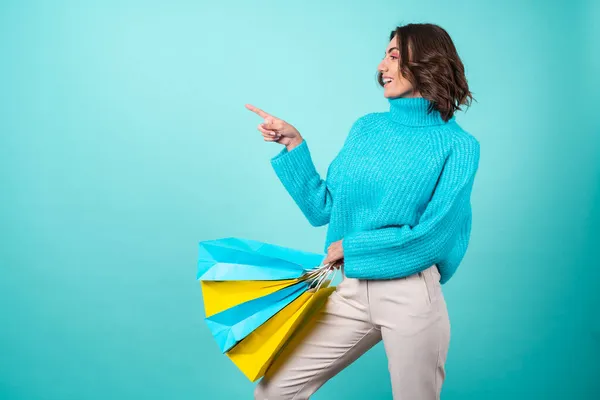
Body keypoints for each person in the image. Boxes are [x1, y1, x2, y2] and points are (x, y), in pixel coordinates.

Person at [245, 22, 480, 400]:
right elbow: (324, 209)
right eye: (383, 56)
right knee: (274, 391)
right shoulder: (366, 128)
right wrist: (294, 144)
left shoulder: (458, 146)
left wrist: (352, 248)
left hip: (410, 295)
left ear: (426, 62)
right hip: (353, 290)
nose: (381, 67)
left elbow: (432, 237)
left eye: (393, 56)